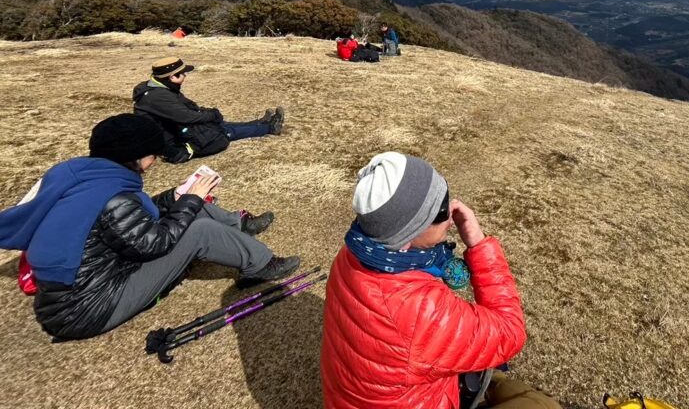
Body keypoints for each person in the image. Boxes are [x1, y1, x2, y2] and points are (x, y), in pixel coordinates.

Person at [0, 114, 300, 341]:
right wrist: (190, 201)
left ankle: (239, 227)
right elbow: (155, 243)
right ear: (138, 156)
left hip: (75, 293)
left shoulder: (85, 176)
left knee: (187, 204)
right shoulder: (115, 198)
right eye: (154, 153)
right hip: (83, 309)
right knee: (199, 229)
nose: (157, 159)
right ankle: (259, 265)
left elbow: (134, 218)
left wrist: (177, 197)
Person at [321, 152, 560, 408]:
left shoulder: (356, 254)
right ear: (406, 239)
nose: (450, 213)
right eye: (440, 211)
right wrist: (479, 244)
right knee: (543, 404)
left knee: (499, 381)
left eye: (444, 194)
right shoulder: (418, 312)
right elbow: (510, 332)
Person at [133, 56, 285, 163]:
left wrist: (208, 113)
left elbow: (188, 107)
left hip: (176, 129)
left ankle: (260, 123)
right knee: (222, 131)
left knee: (218, 124)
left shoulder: (160, 87)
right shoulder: (158, 97)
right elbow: (187, 117)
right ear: (172, 77)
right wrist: (211, 115)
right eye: (183, 73)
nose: (185, 75)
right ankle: (269, 128)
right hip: (173, 140)